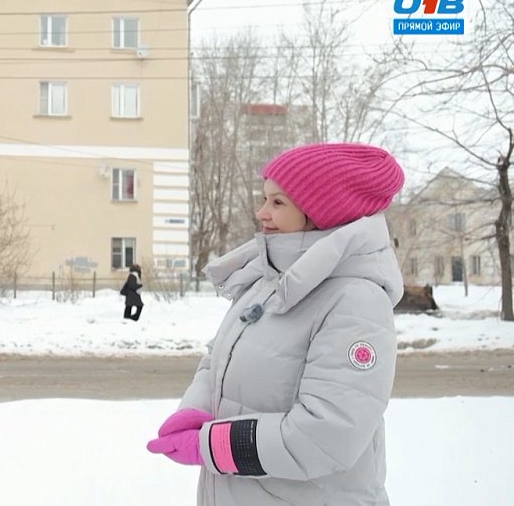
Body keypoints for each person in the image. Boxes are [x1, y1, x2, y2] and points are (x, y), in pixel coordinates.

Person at [146, 143, 405, 506]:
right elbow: (217, 359)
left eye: (278, 202)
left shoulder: (356, 301)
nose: (261, 212)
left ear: (322, 213)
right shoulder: (268, 282)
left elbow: (328, 435)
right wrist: (195, 408)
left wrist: (210, 445)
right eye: (265, 198)